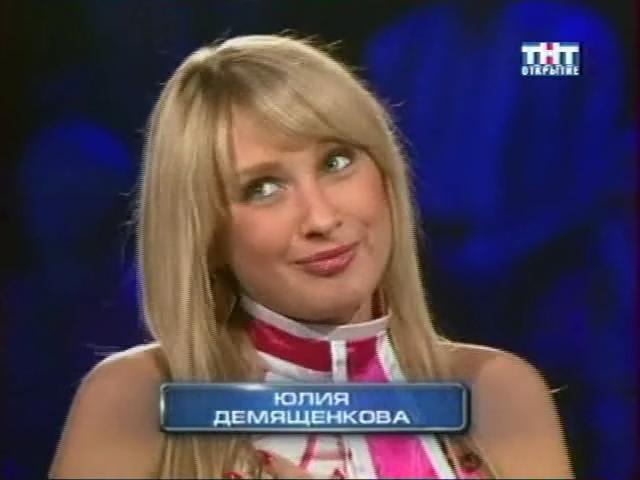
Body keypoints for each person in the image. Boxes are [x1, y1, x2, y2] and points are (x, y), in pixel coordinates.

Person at [49, 34, 573, 479]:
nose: (321, 218)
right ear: (207, 236)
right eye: (263, 188)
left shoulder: (495, 392)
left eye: (337, 162)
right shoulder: (138, 400)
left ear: (385, 174)